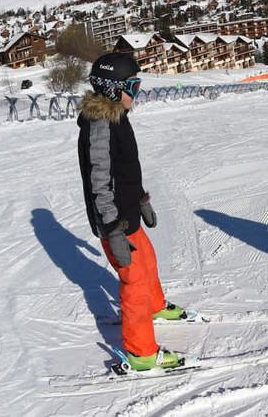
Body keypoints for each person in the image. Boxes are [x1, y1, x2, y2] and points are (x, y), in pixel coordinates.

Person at [77, 53, 187, 371]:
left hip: (127, 213)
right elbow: (100, 181)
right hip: (113, 221)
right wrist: (112, 229)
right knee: (134, 282)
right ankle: (141, 354)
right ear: (112, 89)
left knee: (147, 260)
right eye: (132, 86)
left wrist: (140, 199)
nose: (136, 93)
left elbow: (124, 170)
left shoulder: (117, 117)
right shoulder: (100, 125)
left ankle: (154, 307)